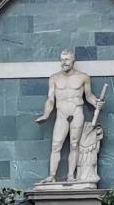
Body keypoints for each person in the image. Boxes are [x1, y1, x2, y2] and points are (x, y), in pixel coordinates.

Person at [38, 49, 106, 184]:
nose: (64, 62)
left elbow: (89, 96)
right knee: (56, 145)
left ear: (73, 61)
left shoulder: (83, 77)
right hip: (61, 114)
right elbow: (50, 99)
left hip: (76, 113)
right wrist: (46, 115)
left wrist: (96, 103)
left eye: (67, 59)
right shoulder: (54, 78)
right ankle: (52, 176)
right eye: (62, 59)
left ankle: (70, 176)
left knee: (74, 145)